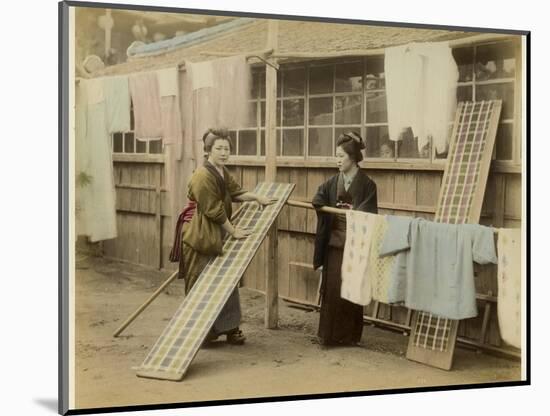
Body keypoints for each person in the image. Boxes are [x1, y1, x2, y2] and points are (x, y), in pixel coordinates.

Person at [179, 128, 277, 345]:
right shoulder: (202, 175)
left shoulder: (222, 171)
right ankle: (203, 333)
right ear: (208, 151)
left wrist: (257, 198)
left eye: (226, 148)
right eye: (218, 148)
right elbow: (213, 210)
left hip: (220, 232)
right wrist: (233, 231)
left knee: (227, 280)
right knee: (201, 284)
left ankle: (231, 328)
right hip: (202, 235)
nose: (223, 152)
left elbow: (236, 192)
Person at [312, 131, 378, 346]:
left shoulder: (368, 185)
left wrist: (351, 214)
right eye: (336, 155)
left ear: (353, 157)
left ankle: (349, 336)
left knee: (352, 287)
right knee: (332, 289)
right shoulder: (332, 182)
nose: (337, 160)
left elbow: (367, 213)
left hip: (355, 243)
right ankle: (329, 336)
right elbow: (318, 199)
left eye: (341, 156)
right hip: (334, 242)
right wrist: (328, 208)